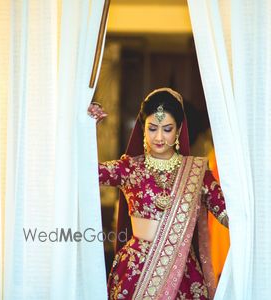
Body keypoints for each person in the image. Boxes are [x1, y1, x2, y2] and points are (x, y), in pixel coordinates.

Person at [88, 87, 228, 299]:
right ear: (143, 128)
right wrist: (88, 128)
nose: (159, 137)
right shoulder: (129, 169)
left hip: (182, 273)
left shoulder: (198, 174)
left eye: (167, 128)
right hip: (136, 271)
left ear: (179, 129)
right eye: (152, 128)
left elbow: (229, 216)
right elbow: (85, 172)